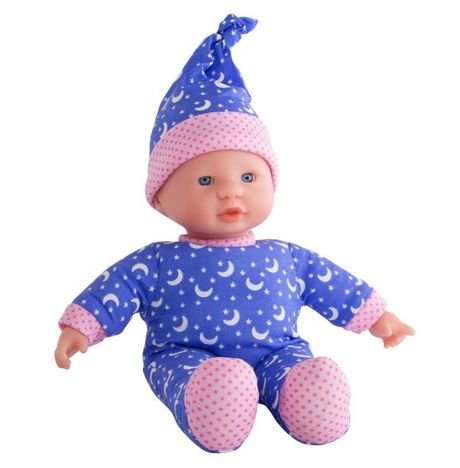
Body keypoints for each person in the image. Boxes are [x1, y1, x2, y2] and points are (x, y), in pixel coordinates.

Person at [55, 14, 415, 453]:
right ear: (161, 199)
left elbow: (333, 285)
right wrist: (81, 328)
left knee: (304, 373)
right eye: (206, 181)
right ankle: (212, 403)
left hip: (278, 353)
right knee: (200, 379)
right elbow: (116, 289)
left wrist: (377, 317)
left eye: (248, 176)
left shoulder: (287, 256)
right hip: (185, 356)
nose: (231, 192)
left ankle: (304, 398)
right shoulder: (156, 262)